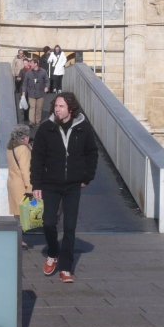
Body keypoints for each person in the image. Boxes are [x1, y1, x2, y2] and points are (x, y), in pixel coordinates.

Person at [30, 92, 98, 283]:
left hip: (73, 185)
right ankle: (53, 252)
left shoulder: (83, 128)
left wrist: (87, 177)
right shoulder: (46, 128)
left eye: (61, 106)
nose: (57, 109)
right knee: (48, 222)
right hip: (50, 183)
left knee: (69, 226)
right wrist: (36, 184)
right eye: (56, 106)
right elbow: (37, 158)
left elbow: (92, 153)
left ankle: (66, 267)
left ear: (71, 108)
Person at [22, 59, 49, 127]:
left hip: (40, 93)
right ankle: (31, 122)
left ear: (36, 64)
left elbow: (47, 80)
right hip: (31, 93)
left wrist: (46, 87)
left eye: (31, 63)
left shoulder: (43, 71)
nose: (30, 64)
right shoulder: (28, 72)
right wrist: (24, 91)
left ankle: (37, 121)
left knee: (39, 108)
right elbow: (25, 82)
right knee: (32, 107)